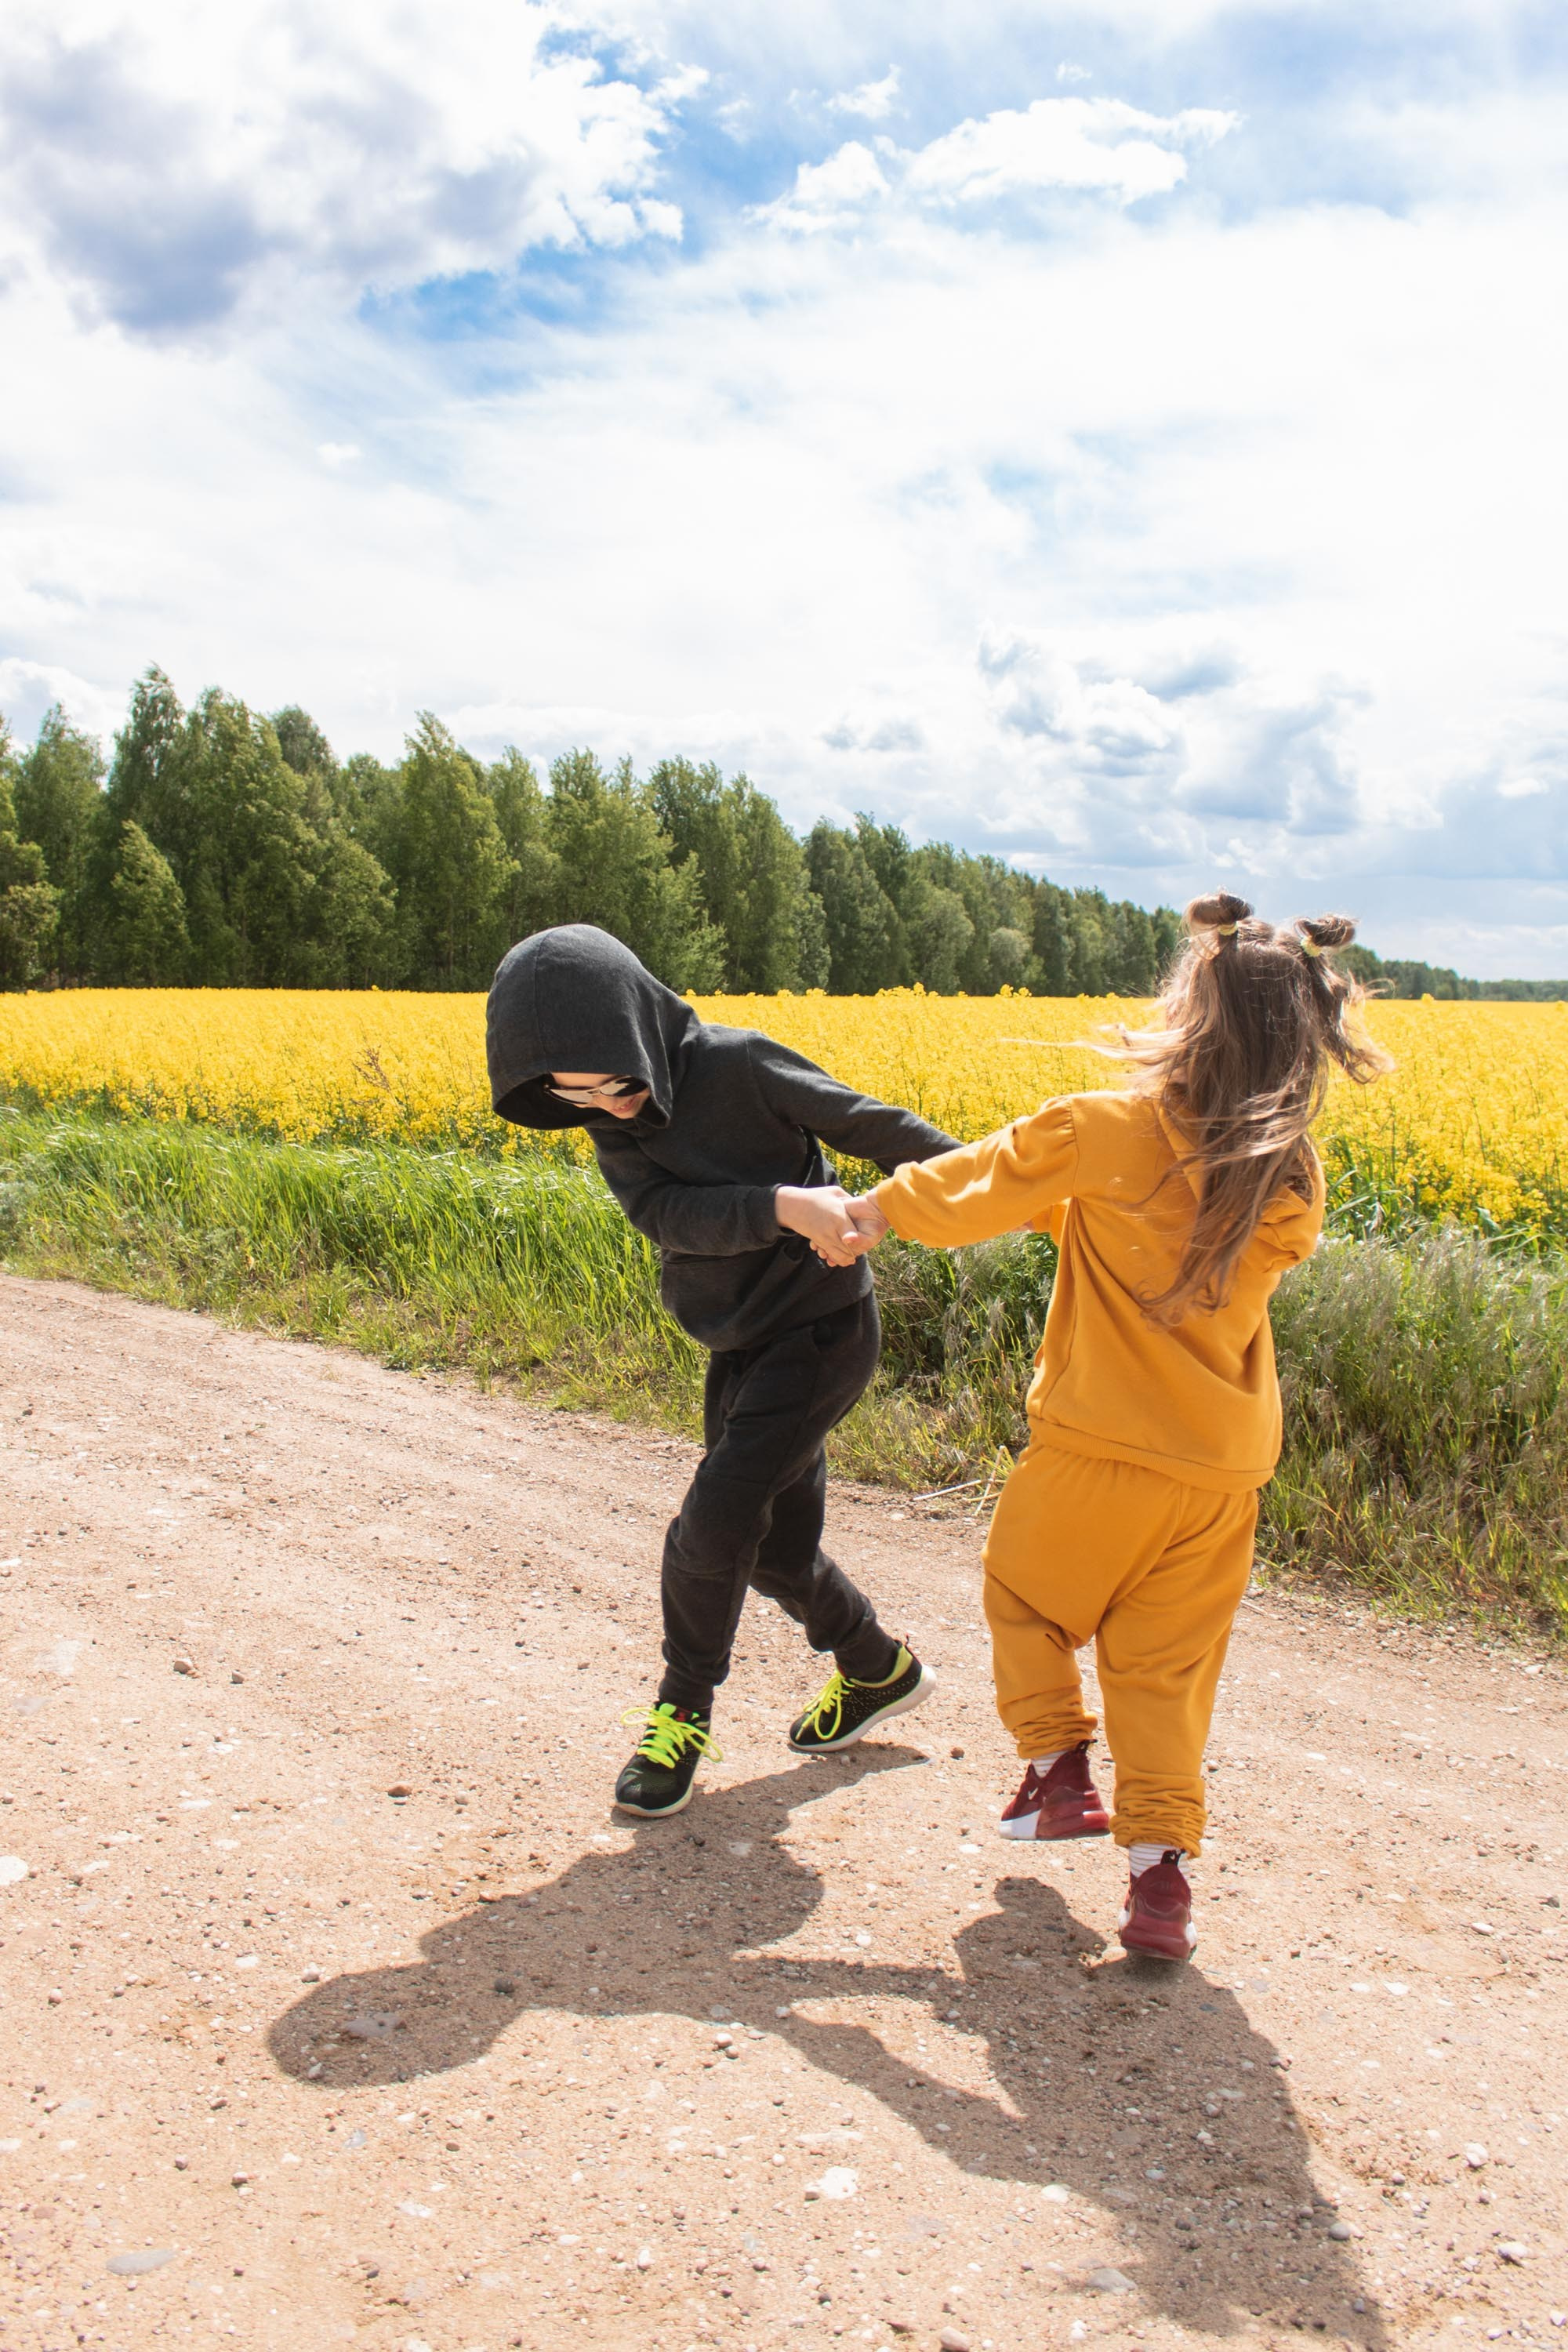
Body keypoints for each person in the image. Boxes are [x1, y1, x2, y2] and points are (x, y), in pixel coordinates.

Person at [843, 895, 1389, 1959]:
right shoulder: (1292, 1173)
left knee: (1022, 1598)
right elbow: (1189, 1234)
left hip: (1098, 1450)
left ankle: (1055, 1771)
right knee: (1163, 1676)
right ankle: (1158, 1884)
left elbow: (966, 1195)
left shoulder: (1099, 1131)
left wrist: (868, 1218)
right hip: (1223, 1471)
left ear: (1193, 1008)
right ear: (1308, 1037)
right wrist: (1087, 1209)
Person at [485, 924, 956, 1819]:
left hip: (819, 1335)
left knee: (708, 1530)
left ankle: (680, 1714)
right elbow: (666, 1214)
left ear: (640, 1033)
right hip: (737, 1342)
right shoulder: (611, 1121)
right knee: (773, 1551)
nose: (609, 1108)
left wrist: (967, 1189)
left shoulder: (740, 1067)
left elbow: (877, 1129)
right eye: (575, 1095)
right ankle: (876, 1668)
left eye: (619, 1083)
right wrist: (784, 1206)